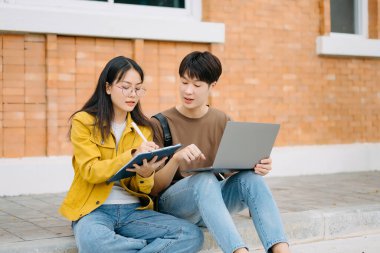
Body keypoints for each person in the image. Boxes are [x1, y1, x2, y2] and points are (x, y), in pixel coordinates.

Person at [59, 56, 203, 253]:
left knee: (190, 235)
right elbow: (90, 171)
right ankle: (145, 248)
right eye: (125, 87)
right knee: (94, 243)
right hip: (93, 210)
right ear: (108, 87)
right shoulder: (83, 121)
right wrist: (132, 154)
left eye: (138, 88)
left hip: (133, 211)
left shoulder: (143, 129)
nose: (132, 94)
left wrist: (145, 174)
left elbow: (142, 190)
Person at [150, 51, 290, 253]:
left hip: (213, 202)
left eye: (197, 85)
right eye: (184, 82)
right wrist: (175, 160)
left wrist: (258, 167)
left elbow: (236, 175)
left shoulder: (222, 120)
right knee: (204, 179)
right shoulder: (159, 123)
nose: (188, 91)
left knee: (252, 179)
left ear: (212, 86)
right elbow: (153, 187)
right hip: (175, 206)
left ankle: (281, 250)